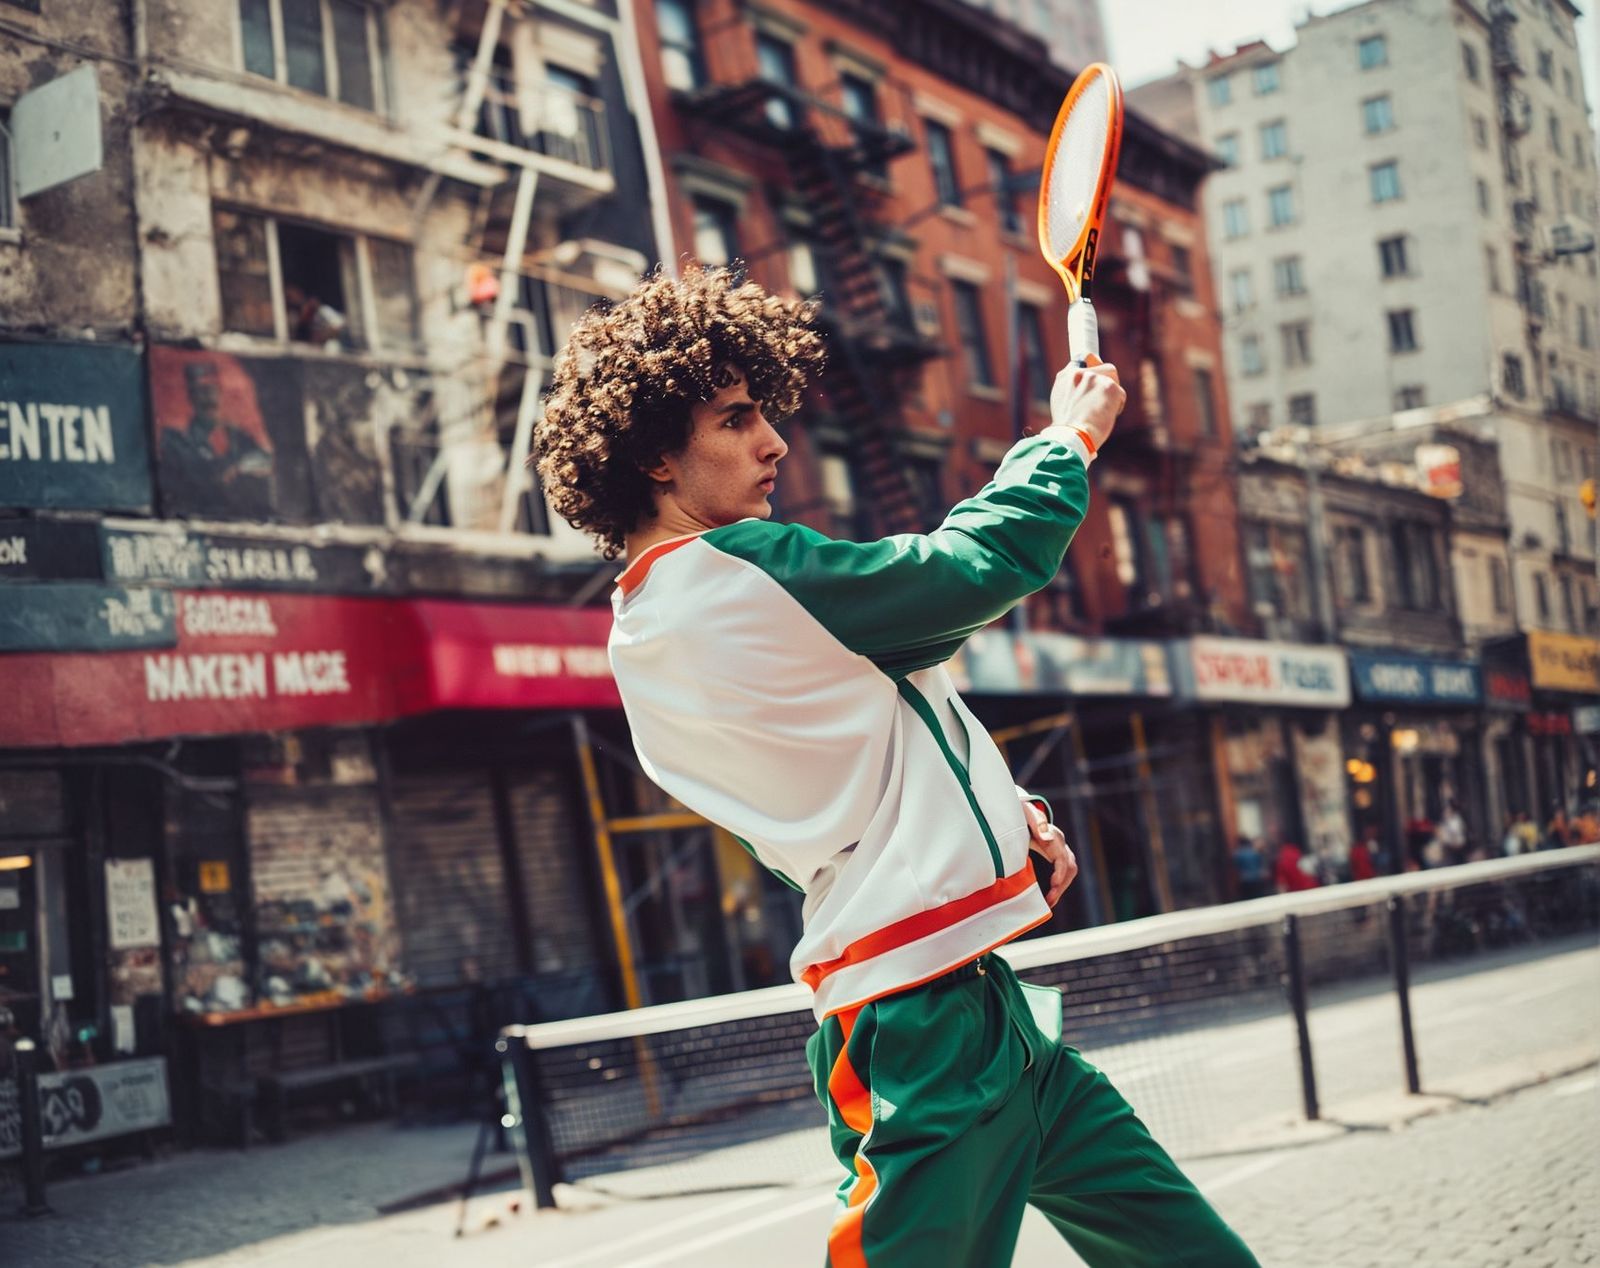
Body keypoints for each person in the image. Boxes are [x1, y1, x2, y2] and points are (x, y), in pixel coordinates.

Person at [534, 265, 1257, 1267]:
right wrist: (1067, 437)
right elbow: (974, 567)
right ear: (658, 452)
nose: (773, 440)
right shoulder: (737, 575)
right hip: (923, 1021)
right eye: (737, 418)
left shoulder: (649, 627)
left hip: (960, 997)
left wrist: (1006, 817)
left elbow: (863, 753)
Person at [1232, 835, 1270, 900]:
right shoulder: (1254, 852)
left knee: (1249, 899)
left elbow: (1236, 866)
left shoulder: (1237, 853)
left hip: (1245, 879)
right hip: (1256, 878)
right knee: (1259, 897)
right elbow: (1260, 864)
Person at [1437, 799, 1468, 867]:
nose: (1446, 813)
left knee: (1458, 863)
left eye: (1448, 811)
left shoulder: (1456, 820)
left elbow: (1458, 833)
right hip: (1450, 848)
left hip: (1457, 847)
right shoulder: (1445, 822)